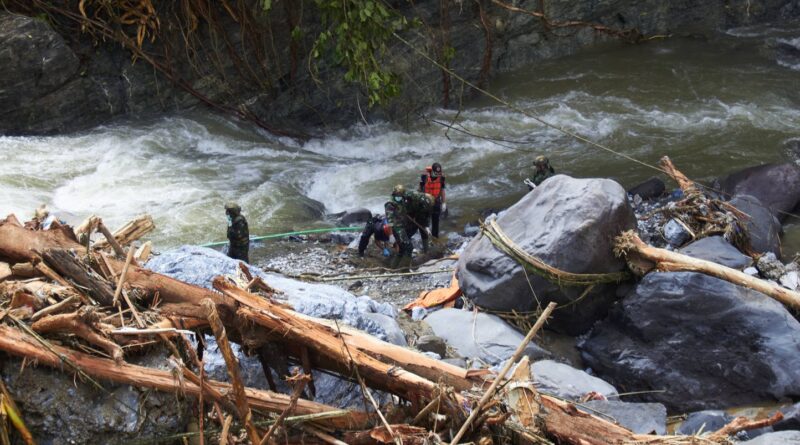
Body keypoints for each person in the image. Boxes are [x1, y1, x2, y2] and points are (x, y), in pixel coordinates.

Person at [419, 162, 446, 238]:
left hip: (436, 200)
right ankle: (425, 237)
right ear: (432, 171)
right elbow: (420, 189)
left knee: (435, 221)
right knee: (425, 220)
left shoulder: (442, 178)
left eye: (439, 173)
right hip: (426, 200)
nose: (438, 174)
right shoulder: (424, 177)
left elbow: (442, 190)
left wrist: (444, 203)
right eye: (436, 173)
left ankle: (435, 238)